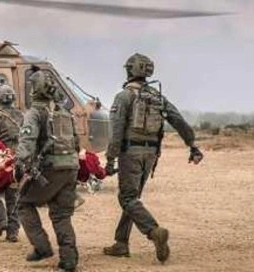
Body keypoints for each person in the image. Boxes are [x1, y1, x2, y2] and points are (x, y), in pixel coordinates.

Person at [103, 53, 204, 263]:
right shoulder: (158, 97)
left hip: (130, 153)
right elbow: (178, 120)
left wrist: (111, 159)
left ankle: (154, 231)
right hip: (151, 154)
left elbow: (116, 131)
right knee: (133, 200)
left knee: (127, 199)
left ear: (130, 71)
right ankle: (121, 243)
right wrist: (192, 145)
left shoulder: (124, 96)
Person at [15, 68, 80, 272]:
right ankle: (69, 260)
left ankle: (42, 247)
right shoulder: (64, 112)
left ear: (34, 89)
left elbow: (27, 142)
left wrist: (21, 166)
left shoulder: (35, 113)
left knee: (23, 204)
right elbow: (76, 142)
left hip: (49, 169)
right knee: (61, 215)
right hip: (71, 167)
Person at [0, 83, 24, 242]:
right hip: (19, 160)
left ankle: (1, 219)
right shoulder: (22, 115)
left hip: (2, 161)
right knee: (13, 196)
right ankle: (13, 232)